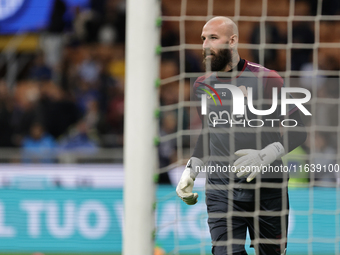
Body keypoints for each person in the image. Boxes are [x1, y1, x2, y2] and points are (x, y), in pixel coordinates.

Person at [176, 17, 307, 255]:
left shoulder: (267, 79)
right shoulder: (201, 85)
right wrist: (191, 169)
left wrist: (269, 153)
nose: (206, 45)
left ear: (232, 40)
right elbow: (209, 133)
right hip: (221, 188)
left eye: (213, 38)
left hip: (267, 189)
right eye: (203, 39)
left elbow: (300, 128)